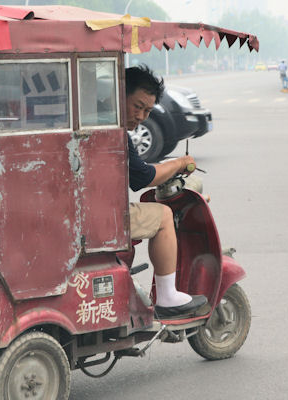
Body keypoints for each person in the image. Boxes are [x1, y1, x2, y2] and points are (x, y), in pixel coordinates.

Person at [125, 65, 208, 319]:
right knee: (162, 216)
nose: (140, 116)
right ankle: (167, 297)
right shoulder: (115, 134)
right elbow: (143, 177)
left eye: (147, 111)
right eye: (137, 106)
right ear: (121, 95)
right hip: (101, 216)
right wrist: (180, 163)